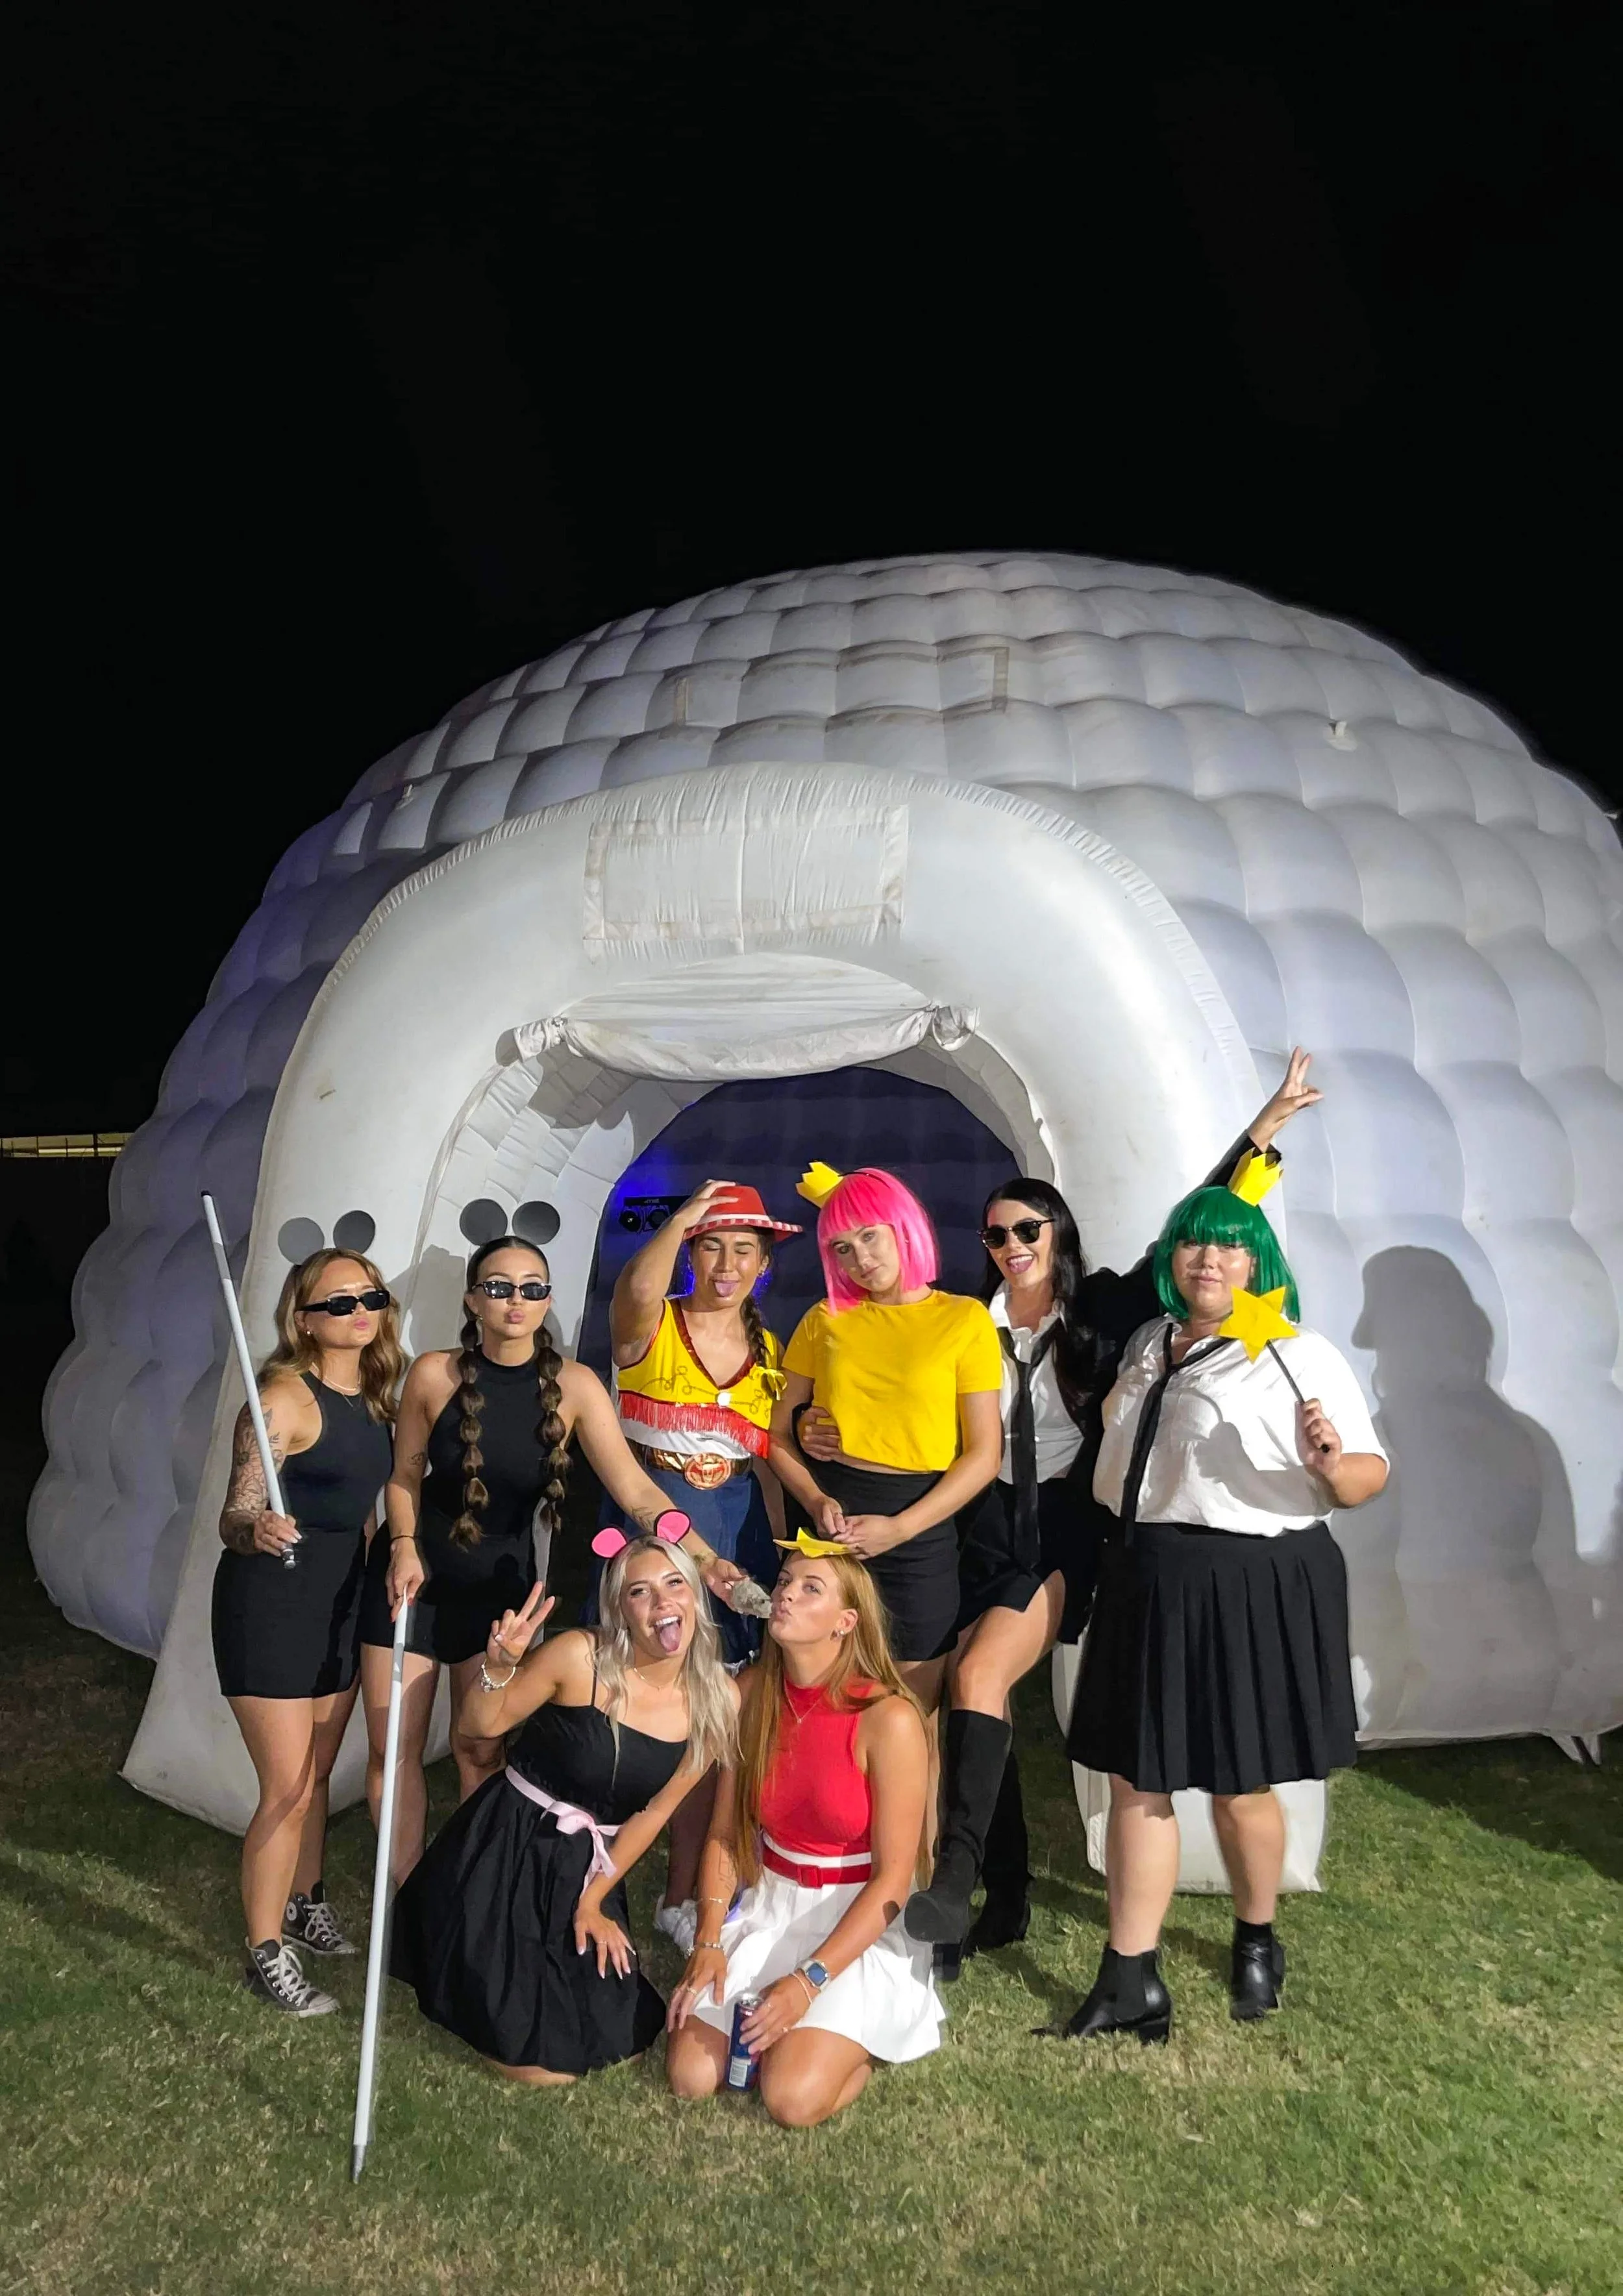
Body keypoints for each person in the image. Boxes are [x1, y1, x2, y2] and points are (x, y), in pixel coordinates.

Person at [812, 1051, 1324, 1959]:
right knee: (968, 1702)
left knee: (978, 1679)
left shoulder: (1105, 1307)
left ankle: (956, 1878)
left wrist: (1262, 1132)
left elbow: (1187, 1232)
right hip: (974, 1524)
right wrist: (820, 1427)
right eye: (996, 1234)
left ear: (1058, 1233)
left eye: (1028, 1228)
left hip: (1062, 1529)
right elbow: (892, 1392)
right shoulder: (963, 1317)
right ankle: (1004, 1893)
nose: (1011, 1244)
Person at [1056, 1183, 1388, 2042]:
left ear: (1258, 1263)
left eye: (1230, 1244)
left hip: (1250, 1575)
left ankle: (1256, 1936)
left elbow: (1363, 1477)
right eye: (1193, 1242)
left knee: (1241, 1781)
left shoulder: (1294, 1352)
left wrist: (1330, 1464)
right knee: (1137, 1776)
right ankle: (1131, 1978)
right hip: (1146, 1569)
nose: (1208, 1258)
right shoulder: (1149, 1343)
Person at [358, 1229, 748, 1877]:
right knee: (393, 1750)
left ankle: (473, 1886)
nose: (516, 1300)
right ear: (473, 1301)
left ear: (547, 1301)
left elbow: (636, 1490)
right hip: (415, 1577)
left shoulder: (576, 1386)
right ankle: (407, 1892)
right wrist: (401, 1545)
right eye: (499, 1287)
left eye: (532, 1288)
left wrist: (704, 1560)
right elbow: (403, 1477)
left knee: (480, 1745)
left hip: (502, 1589)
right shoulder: (432, 1373)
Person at [390, 1529, 739, 2082]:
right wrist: (498, 1667)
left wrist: (593, 1900)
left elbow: (653, 1814)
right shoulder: (581, 1657)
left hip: (588, 1864)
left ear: (695, 1595)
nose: (661, 1601)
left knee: (615, 2034)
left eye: (674, 1583)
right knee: (537, 2064)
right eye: (640, 1591)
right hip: (509, 1845)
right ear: (620, 1611)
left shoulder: (718, 1699)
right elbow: (479, 1727)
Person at [665, 1538, 942, 2125]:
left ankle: (860, 2036)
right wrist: (709, 1939)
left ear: (847, 1622)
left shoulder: (889, 1717)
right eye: (787, 1580)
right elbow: (724, 1834)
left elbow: (895, 1879)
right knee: (691, 2077)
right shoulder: (753, 1693)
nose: (787, 1592)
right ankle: (797, 2027)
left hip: (855, 1919)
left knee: (790, 2098)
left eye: (810, 1587)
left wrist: (808, 1981)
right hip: (770, 1903)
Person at [602, 1177, 800, 1949]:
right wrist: (683, 1215)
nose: (726, 1265)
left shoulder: (770, 1350)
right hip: (654, 1528)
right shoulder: (651, 1322)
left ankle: (685, 1894)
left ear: (764, 1264)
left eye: (743, 1250)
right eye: (711, 1247)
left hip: (737, 1531)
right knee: (637, 1708)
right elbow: (635, 1288)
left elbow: (764, 1462)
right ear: (689, 1252)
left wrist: (779, 1557)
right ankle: (602, 1880)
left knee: (718, 1722)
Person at [211, 1247, 403, 2016]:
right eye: (339, 1302)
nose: (359, 1313)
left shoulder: (379, 1397)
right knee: (287, 1788)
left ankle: (304, 1899)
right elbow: (233, 1514)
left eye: (370, 1298)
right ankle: (266, 1953)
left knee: (318, 1774)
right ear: (304, 1319)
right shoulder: (279, 1400)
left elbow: (367, 1513)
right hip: (271, 1605)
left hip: (342, 1599)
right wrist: (256, 1527)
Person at [767, 1165, 1003, 1713]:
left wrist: (900, 1528)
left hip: (919, 1533)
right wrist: (815, 1499)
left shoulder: (965, 1319)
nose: (861, 1258)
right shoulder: (824, 1318)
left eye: (870, 1236)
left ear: (904, 1226)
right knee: (815, 1708)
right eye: (843, 1248)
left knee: (912, 1714)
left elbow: (985, 1454)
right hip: (830, 1532)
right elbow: (777, 1434)